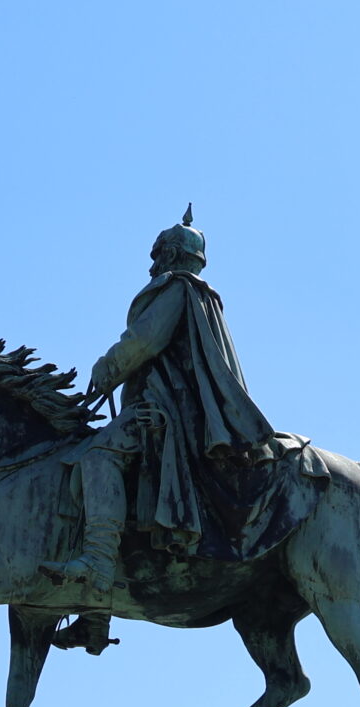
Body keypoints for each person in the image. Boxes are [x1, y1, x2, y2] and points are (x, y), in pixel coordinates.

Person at [45, 206, 292, 596]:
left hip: (169, 408)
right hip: (187, 406)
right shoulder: (200, 294)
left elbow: (144, 341)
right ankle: (96, 614)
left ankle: (98, 563)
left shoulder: (176, 288)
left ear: (172, 255)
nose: (152, 264)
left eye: (157, 255)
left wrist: (105, 369)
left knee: (97, 455)